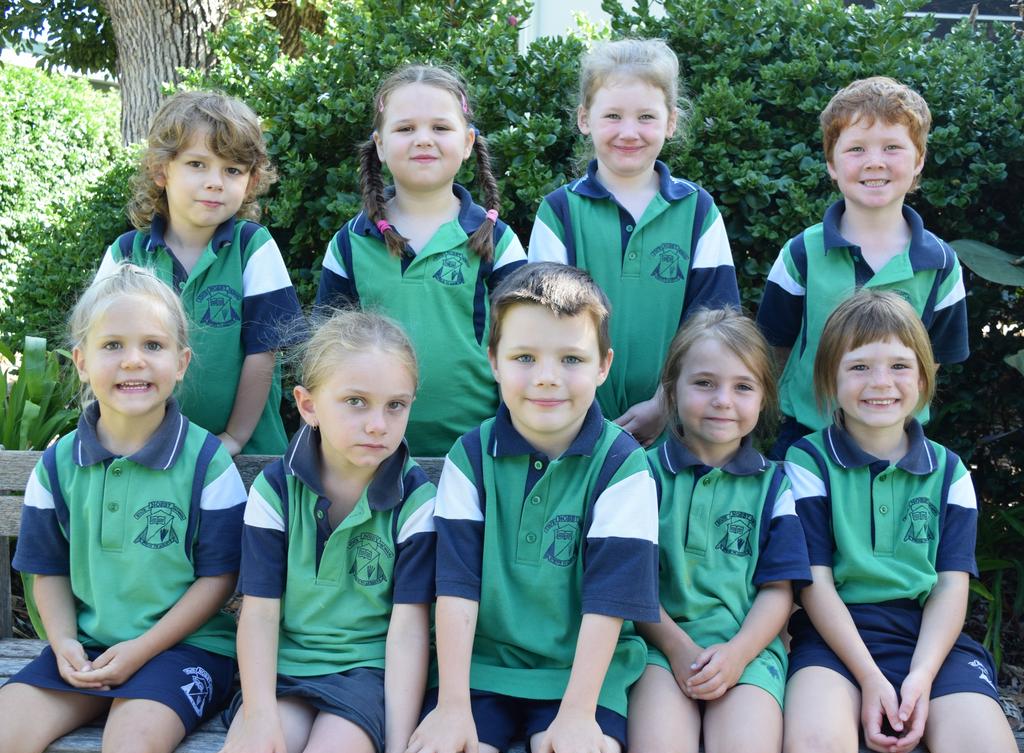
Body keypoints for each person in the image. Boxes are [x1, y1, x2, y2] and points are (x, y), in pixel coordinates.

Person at [404, 262, 659, 753]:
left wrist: (579, 712)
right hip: (478, 669)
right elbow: (456, 587)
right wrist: (453, 705)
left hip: (583, 675)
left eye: (571, 359)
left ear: (603, 365)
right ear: (493, 360)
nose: (547, 379)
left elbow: (609, 602)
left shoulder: (622, 466)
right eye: (525, 357)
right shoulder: (470, 458)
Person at [0, 263, 246, 753]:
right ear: (81, 361)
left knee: (131, 751)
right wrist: (64, 642)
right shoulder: (58, 464)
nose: (133, 361)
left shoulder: (206, 462)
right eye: (112, 346)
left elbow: (220, 579)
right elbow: (47, 570)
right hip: (88, 646)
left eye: (152, 346)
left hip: (185, 650)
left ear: (181, 362)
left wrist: (140, 650)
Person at [782, 291, 1021, 753]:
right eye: (859, 367)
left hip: (930, 642)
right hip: (833, 641)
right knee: (814, 752)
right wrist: (870, 678)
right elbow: (815, 585)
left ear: (924, 376)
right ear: (830, 377)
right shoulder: (807, 461)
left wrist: (921, 677)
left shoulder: (950, 473)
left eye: (898, 366)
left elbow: (951, 588)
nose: (880, 383)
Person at [209, 309, 437, 753]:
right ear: (308, 405)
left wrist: (396, 750)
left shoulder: (415, 500)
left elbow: (409, 631)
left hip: (368, 675)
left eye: (396, 405)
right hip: (282, 672)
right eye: (356, 401)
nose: (378, 424)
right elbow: (259, 613)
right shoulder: (275, 490)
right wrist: (258, 715)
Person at [529, 38, 739, 447]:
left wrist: (666, 402)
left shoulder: (698, 212)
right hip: (574, 432)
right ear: (584, 119)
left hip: (677, 432)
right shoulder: (559, 213)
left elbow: (714, 326)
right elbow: (544, 330)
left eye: (646, 116)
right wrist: (583, 415)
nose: (629, 132)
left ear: (671, 122)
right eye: (613, 116)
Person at [627, 308, 810, 753]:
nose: (723, 400)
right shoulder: (639, 478)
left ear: (765, 398)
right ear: (670, 391)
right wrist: (678, 648)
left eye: (743, 387)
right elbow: (631, 584)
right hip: (658, 648)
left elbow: (779, 591)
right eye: (704, 383)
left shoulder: (775, 487)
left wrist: (735, 654)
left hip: (748, 651)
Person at [316, 65, 526, 457]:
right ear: (379, 144)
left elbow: (524, 347)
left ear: (467, 142)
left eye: (440, 128)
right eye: (405, 128)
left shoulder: (499, 242)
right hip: (369, 448)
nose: (423, 140)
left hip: (477, 452)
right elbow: (326, 354)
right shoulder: (349, 244)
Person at [757, 76, 969, 459]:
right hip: (806, 439)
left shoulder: (940, 265)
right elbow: (776, 350)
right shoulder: (801, 254)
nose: (875, 162)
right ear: (831, 165)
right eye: (856, 149)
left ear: (919, 159)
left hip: (896, 442)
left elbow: (931, 360)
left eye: (892, 147)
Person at [96, 90, 304, 456]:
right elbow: (101, 349)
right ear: (162, 170)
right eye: (197, 164)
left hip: (245, 456)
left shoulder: (253, 248)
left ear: (251, 182)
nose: (215, 182)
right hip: (148, 453)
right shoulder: (126, 254)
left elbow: (264, 353)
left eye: (232, 170)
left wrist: (235, 437)